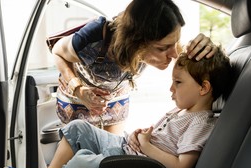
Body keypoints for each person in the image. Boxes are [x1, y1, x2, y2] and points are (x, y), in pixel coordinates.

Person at [2, 45, 234, 168]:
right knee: (77, 127)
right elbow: (166, 139)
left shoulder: (202, 123)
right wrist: (143, 135)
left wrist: (146, 146)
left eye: (178, 82)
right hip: (128, 149)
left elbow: (181, 166)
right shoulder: (182, 110)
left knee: (80, 161)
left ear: (203, 88)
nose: (171, 89)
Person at [53, 0, 217, 135]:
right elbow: (57, 52)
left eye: (175, 43)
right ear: (135, 42)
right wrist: (79, 89)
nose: (174, 54)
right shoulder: (93, 37)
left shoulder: (164, 41)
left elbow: (190, 62)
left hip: (116, 99)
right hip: (77, 97)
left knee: (107, 156)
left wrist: (208, 49)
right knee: (76, 156)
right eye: (162, 48)